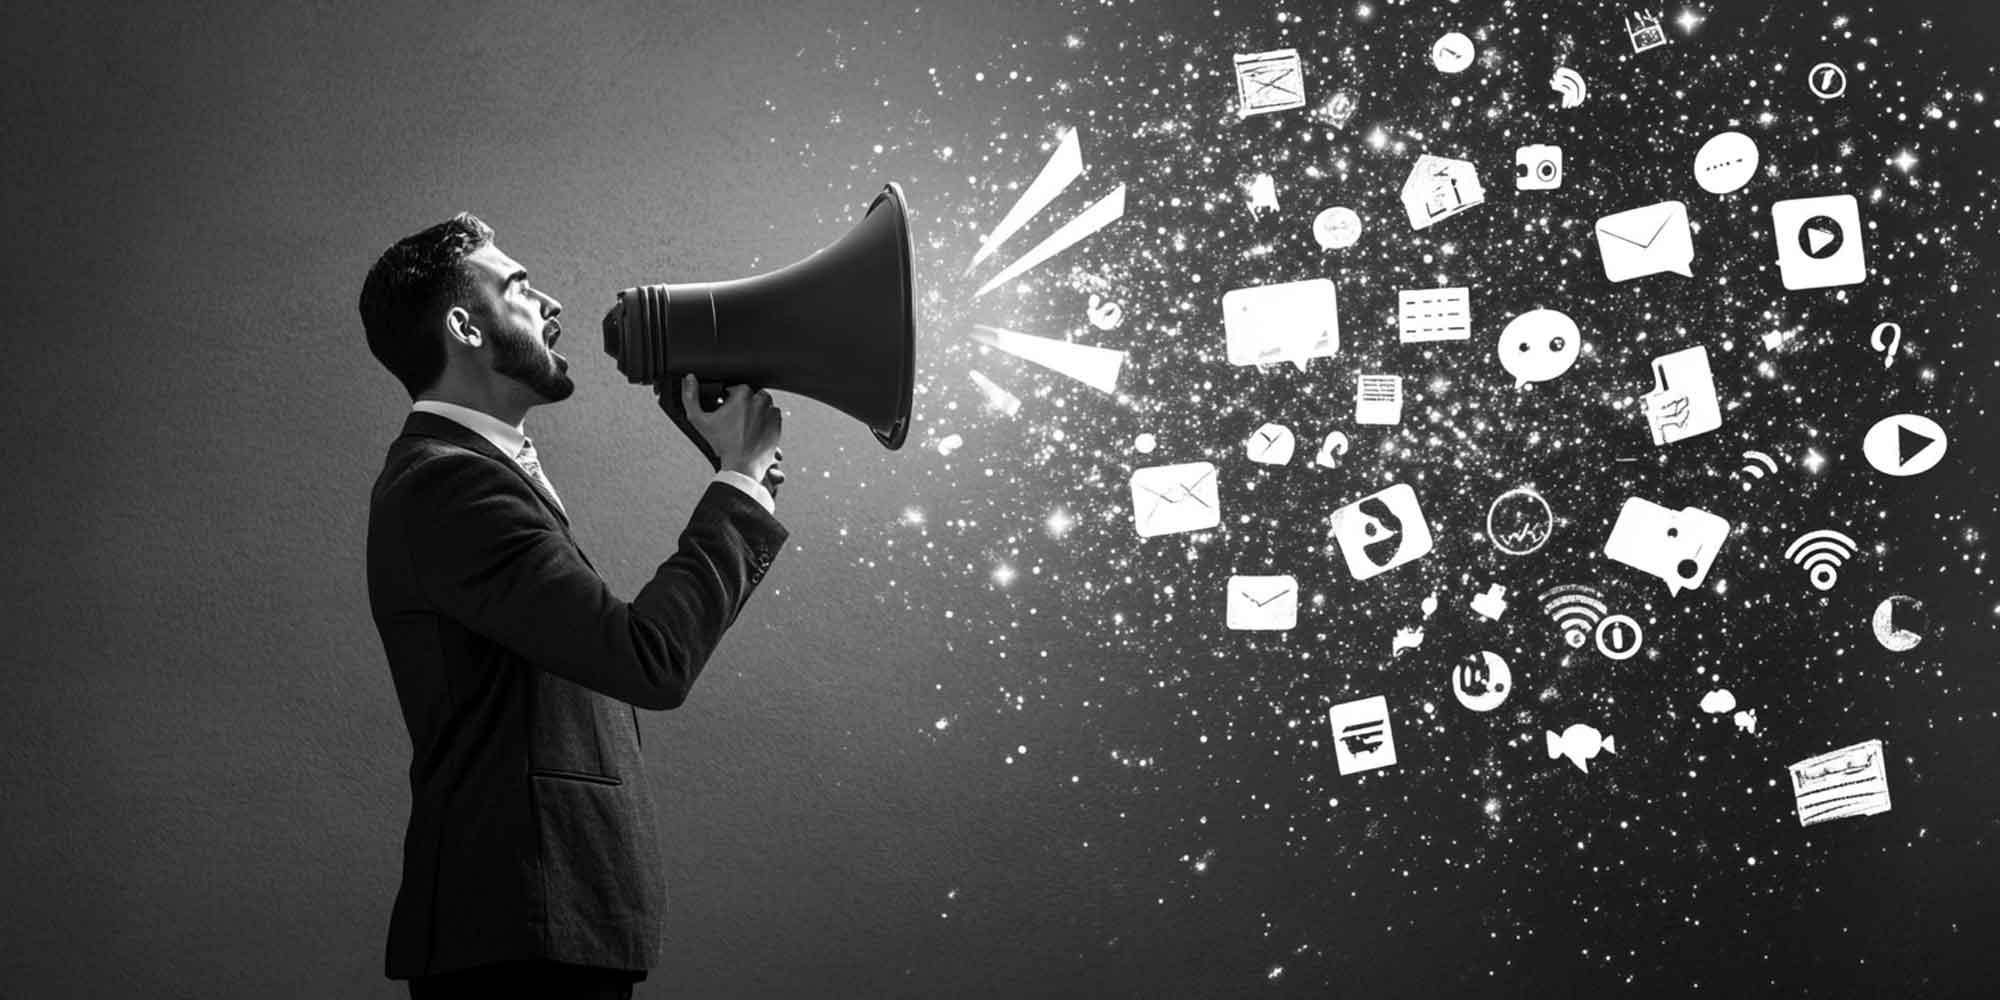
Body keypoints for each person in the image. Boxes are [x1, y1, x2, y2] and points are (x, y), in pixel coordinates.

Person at [359, 213, 787, 999]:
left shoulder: (470, 474)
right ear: (464, 327)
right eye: (518, 286)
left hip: (537, 929)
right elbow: (647, 661)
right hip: (520, 935)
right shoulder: (449, 483)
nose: (551, 303)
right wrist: (739, 481)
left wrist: (735, 476)